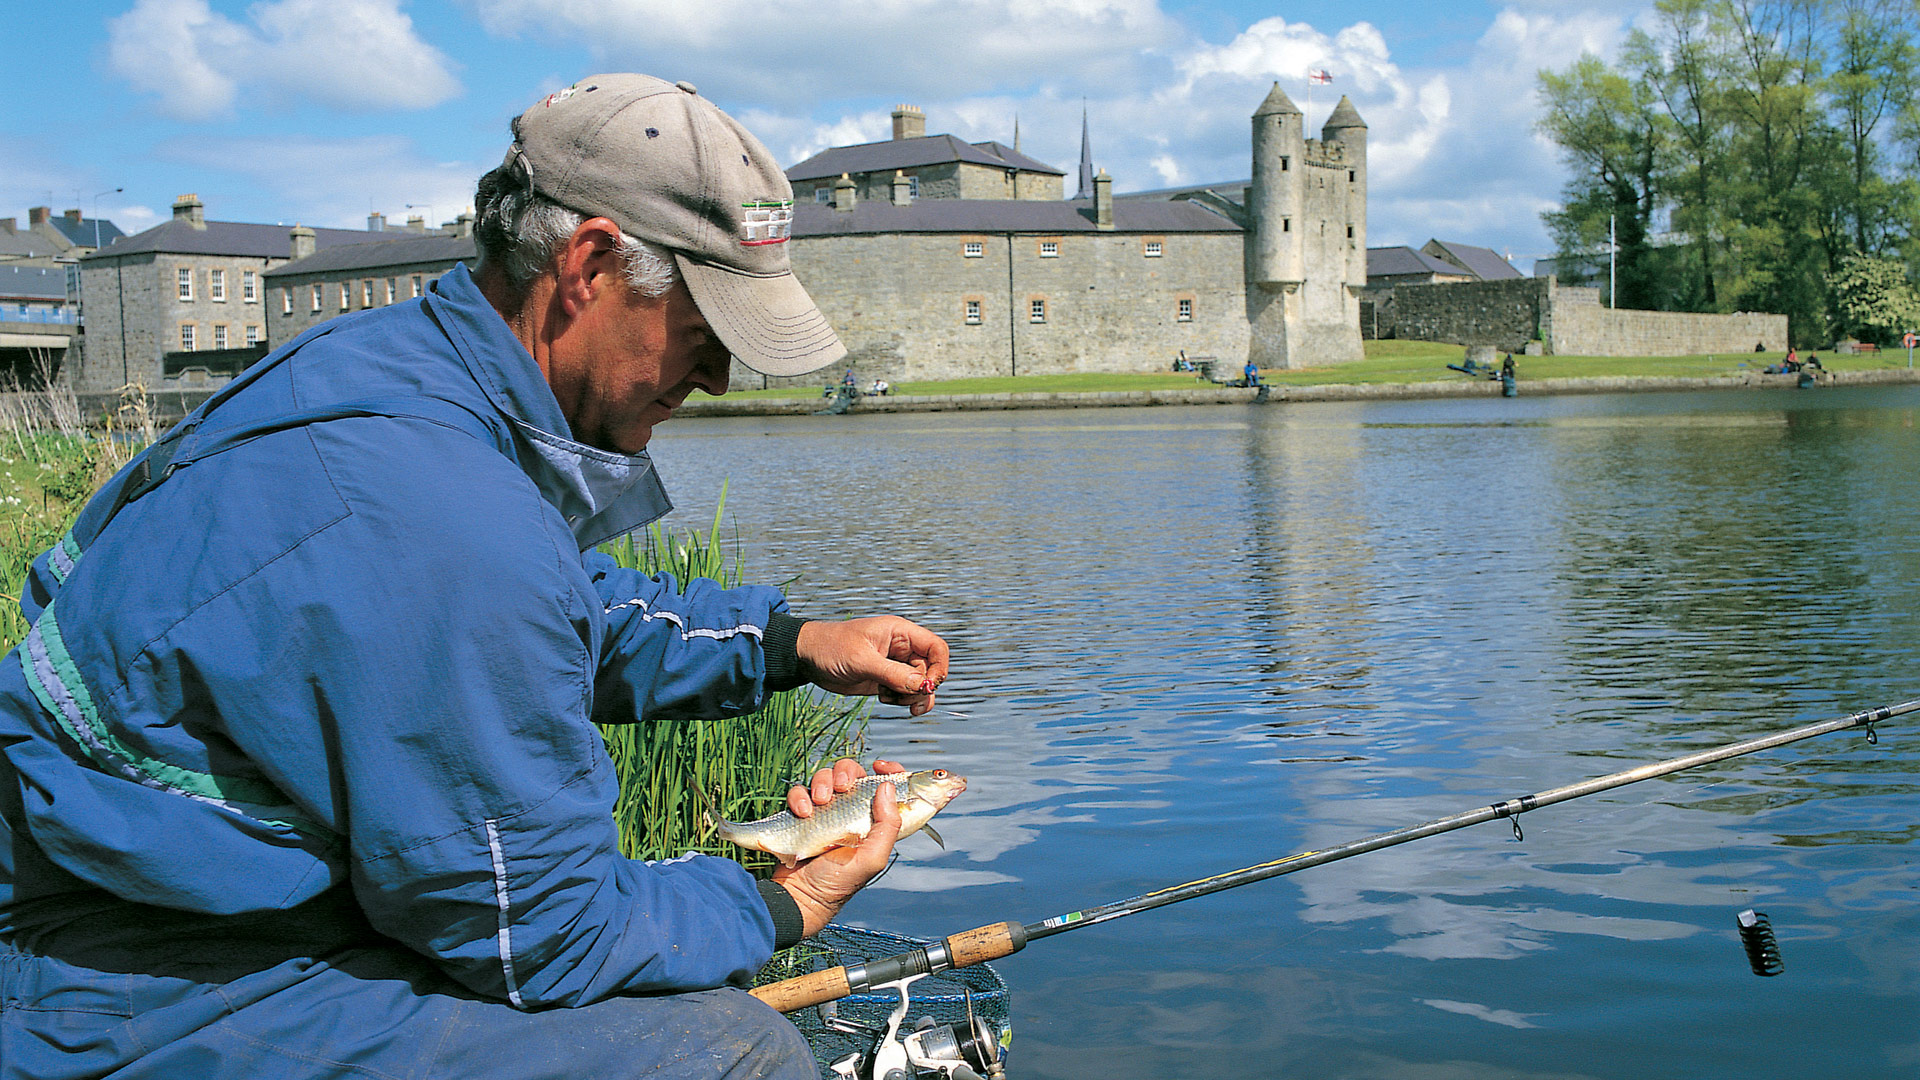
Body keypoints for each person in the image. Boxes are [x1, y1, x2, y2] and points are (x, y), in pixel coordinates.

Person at [0, 74, 949, 1080]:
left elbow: (549, 607)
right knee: (731, 1052)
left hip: (130, 906)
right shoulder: (435, 514)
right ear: (589, 266)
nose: (716, 378)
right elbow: (543, 935)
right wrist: (782, 902)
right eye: (706, 334)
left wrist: (790, 646)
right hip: (115, 977)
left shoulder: (382, 368)